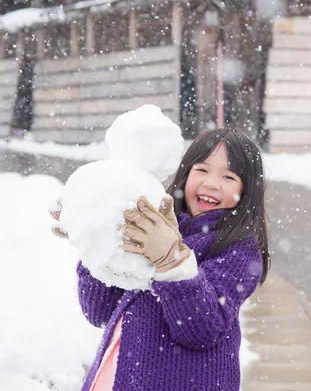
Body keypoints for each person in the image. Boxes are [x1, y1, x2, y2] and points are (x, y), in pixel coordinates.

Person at [51, 128, 270, 391]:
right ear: (185, 173)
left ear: (246, 192)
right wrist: (94, 247)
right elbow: (100, 312)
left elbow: (202, 329)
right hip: (120, 375)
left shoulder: (239, 250)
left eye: (228, 176)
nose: (212, 183)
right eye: (202, 170)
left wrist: (173, 263)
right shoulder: (151, 227)